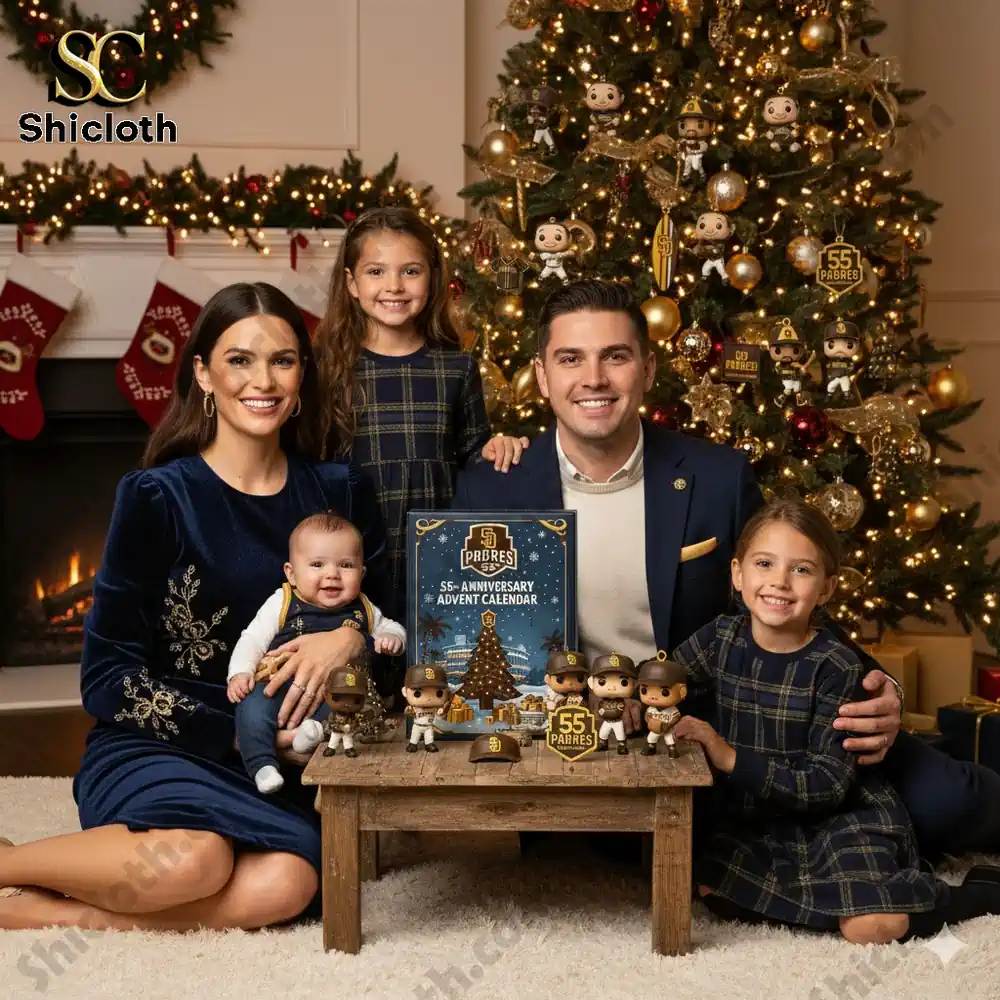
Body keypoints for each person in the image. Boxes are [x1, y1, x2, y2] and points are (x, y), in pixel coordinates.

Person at [452, 277, 1000, 857]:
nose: (594, 379)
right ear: (542, 376)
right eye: (571, 359)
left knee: (949, 802)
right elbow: (472, 629)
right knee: (633, 858)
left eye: (615, 356)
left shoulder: (716, 476)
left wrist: (877, 688)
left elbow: (779, 595)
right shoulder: (493, 484)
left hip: (734, 708)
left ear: (648, 368)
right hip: (591, 728)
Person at [0, 282, 387, 932]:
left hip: (286, 763)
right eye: (239, 359)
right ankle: (9, 868)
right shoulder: (157, 497)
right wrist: (237, 734)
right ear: (204, 373)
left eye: (283, 360)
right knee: (195, 862)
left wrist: (351, 639)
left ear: (302, 376)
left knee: (292, 884)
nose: (262, 379)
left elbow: (394, 639)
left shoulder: (341, 491)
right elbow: (105, 678)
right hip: (161, 743)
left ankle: (43, 914)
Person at [671, 499, 1000, 944]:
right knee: (711, 889)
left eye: (801, 570)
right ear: (737, 574)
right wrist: (632, 694)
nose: (779, 582)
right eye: (764, 563)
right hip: (760, 818)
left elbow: (826, 786)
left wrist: (727, 756)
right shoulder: (720, 638)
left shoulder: (837, 666)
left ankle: (969, 895)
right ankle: (867, 896)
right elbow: (667, 678)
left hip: (838, 815)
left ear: (826, 589)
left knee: (872, 928)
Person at [312, 207, 528, 639]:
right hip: (354, 549)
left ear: (432, 278)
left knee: (430, 667)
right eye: (376, 272)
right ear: (352, 283)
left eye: (410, 271)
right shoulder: (328, 368)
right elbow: (311, 465)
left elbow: (474, 455)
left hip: (438, 547)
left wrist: (497, 448)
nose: (394, 286)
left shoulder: (456, 367)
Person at [226, 511, 405, 794]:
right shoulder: (282, 601)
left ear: (362, 572)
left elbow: (392, 627)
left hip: (332, 695)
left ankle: (309, 738)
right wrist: (240, 673)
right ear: (292, 573)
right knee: (252, 708)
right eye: (317, 564)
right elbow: (252, 639)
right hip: (277, 686)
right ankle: (263, 766)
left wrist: (391, 638)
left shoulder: (365, 608)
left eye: (346, 565)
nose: (332, 574)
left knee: (351, 712)